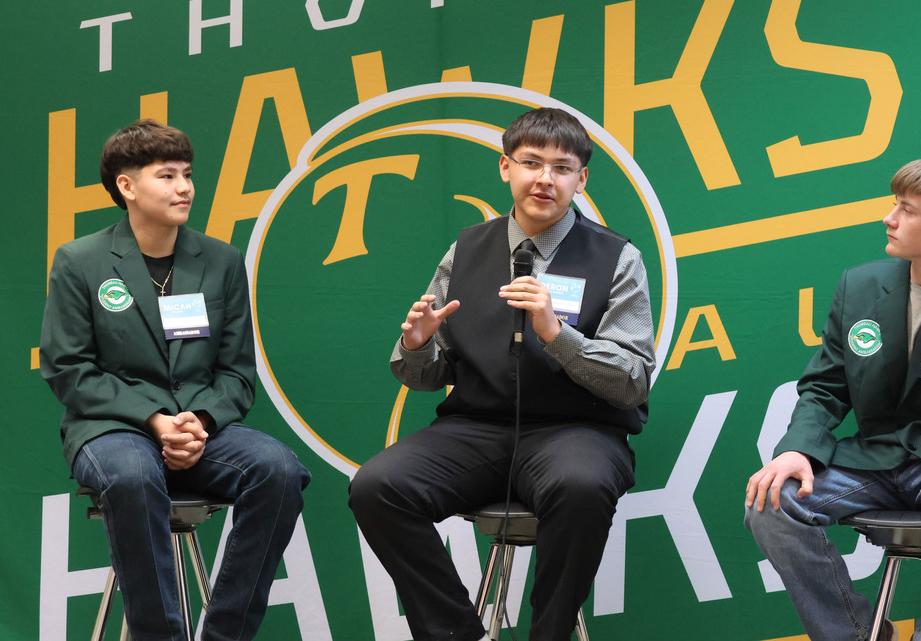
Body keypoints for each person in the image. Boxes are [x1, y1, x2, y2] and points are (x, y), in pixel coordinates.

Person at [348, 107, 656, 641]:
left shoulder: (617, 258)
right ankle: (455, 633)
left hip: (577, 433)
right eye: (531, 162)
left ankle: (551, 632)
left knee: (582, 485)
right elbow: (424, 375)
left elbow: (632, 379)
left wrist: (558, 334)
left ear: (581, 179)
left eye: (562, 168)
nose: (545, 179)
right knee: (377, 487)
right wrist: (417, 346)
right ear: (505, 168)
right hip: (476, 429)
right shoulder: (467, 248)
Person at [40, 119, 310, 641]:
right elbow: (68, 368)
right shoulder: (81, 261)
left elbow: (236, 373)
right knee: (134, 477)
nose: (185, 187)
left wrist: (199, 420)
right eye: (167, 176)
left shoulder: (221, 261)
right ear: (127, 186)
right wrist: (154, 420)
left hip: (199, 426)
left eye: (187, 174)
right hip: (110, 428)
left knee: (279, 470)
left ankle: (224, 634)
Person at [744, 156, 921, 641]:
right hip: (871, 460)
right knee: (770, 502)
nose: (888, 218)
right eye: (895, 204)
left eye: (907, 210)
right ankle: (856, 636)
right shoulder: (860, 285)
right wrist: (796, 449)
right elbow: (825, 388)